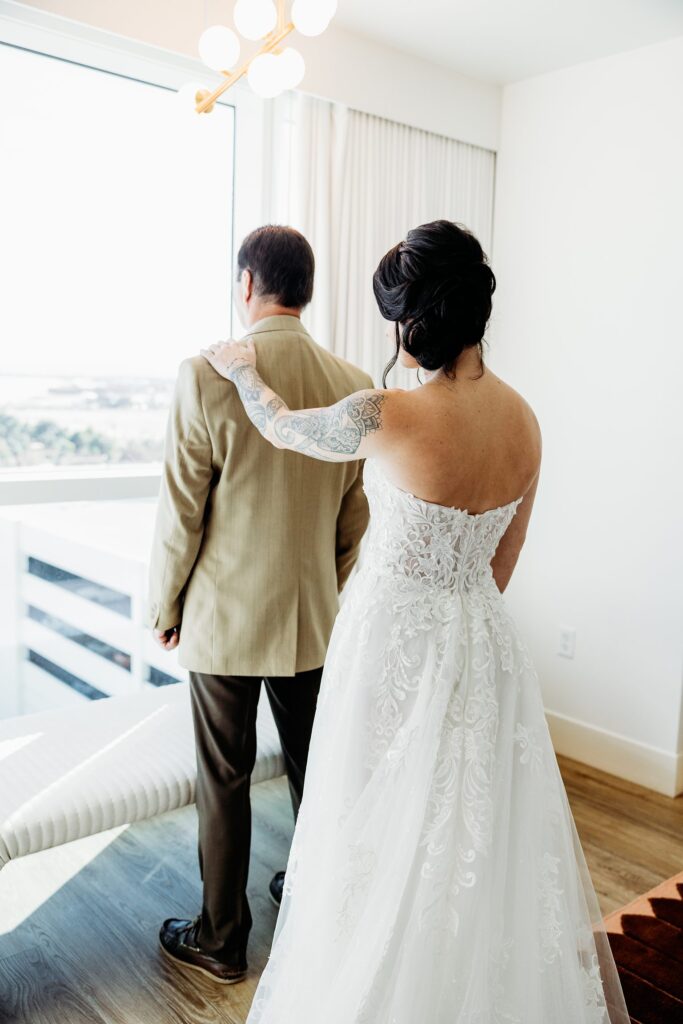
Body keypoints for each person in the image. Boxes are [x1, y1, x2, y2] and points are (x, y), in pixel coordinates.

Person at [201, 220, 631, 1022]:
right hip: (484, 642)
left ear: (413, 320)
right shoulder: (525, 421)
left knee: (371, 820)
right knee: (467, 831)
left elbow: (283, 429)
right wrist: (460, 603)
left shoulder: (387, 414)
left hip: (391, 641)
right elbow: (505, 560)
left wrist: (243, 374)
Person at [148, 225, 373, 984]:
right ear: (303, 289)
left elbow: (181, 509)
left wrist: (165, 605)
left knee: (226, 778)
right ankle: (312, 898)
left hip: (225, 620)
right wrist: (323, 583)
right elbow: (353, 515)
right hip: (312, 618)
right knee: (316, 767)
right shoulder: (350, 379)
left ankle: (221, 938)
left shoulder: (204, 372)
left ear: (248, 284)